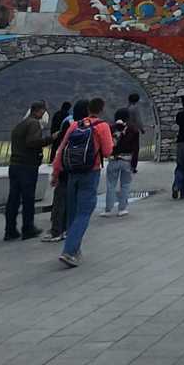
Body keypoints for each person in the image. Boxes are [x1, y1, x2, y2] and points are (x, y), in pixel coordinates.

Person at [51, 97, 114, 268]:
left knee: (72, 212)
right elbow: (107, 151)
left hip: (72, 173)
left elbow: (61, 149)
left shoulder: (74, 125)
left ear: (87, 110)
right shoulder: (102, 126)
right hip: (90, 172)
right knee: (84, 212)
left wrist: (56, 173)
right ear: (101, 109)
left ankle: (75, 249)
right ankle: (69, 251)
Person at [4, 101, 48, 240]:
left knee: (13, 198)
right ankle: (28, 228)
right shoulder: (34, 124)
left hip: (15, 165)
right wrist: (49, 139)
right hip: (27, 166)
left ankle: (10, 230)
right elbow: (32, 142)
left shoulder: (20, 124)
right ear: (40, 111)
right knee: (28, 198)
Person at [42, 100, 77, 243]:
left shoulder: (66, 122)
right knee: (70, 200)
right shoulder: (85, 126)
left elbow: (60, 154)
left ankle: (56, 231)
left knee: (59, 200)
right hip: (77, 169)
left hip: (64, 168)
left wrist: (55, 174)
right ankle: (68, 229)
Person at [102, 108, 140, 217]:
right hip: (127, 161)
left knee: (111, 185)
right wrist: (134, 165)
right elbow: (136, 149)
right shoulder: (133, 130)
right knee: (125, 185)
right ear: (128, 118)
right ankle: (122, 209)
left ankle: (108, 210)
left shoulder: (111, 129)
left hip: (113, 160)